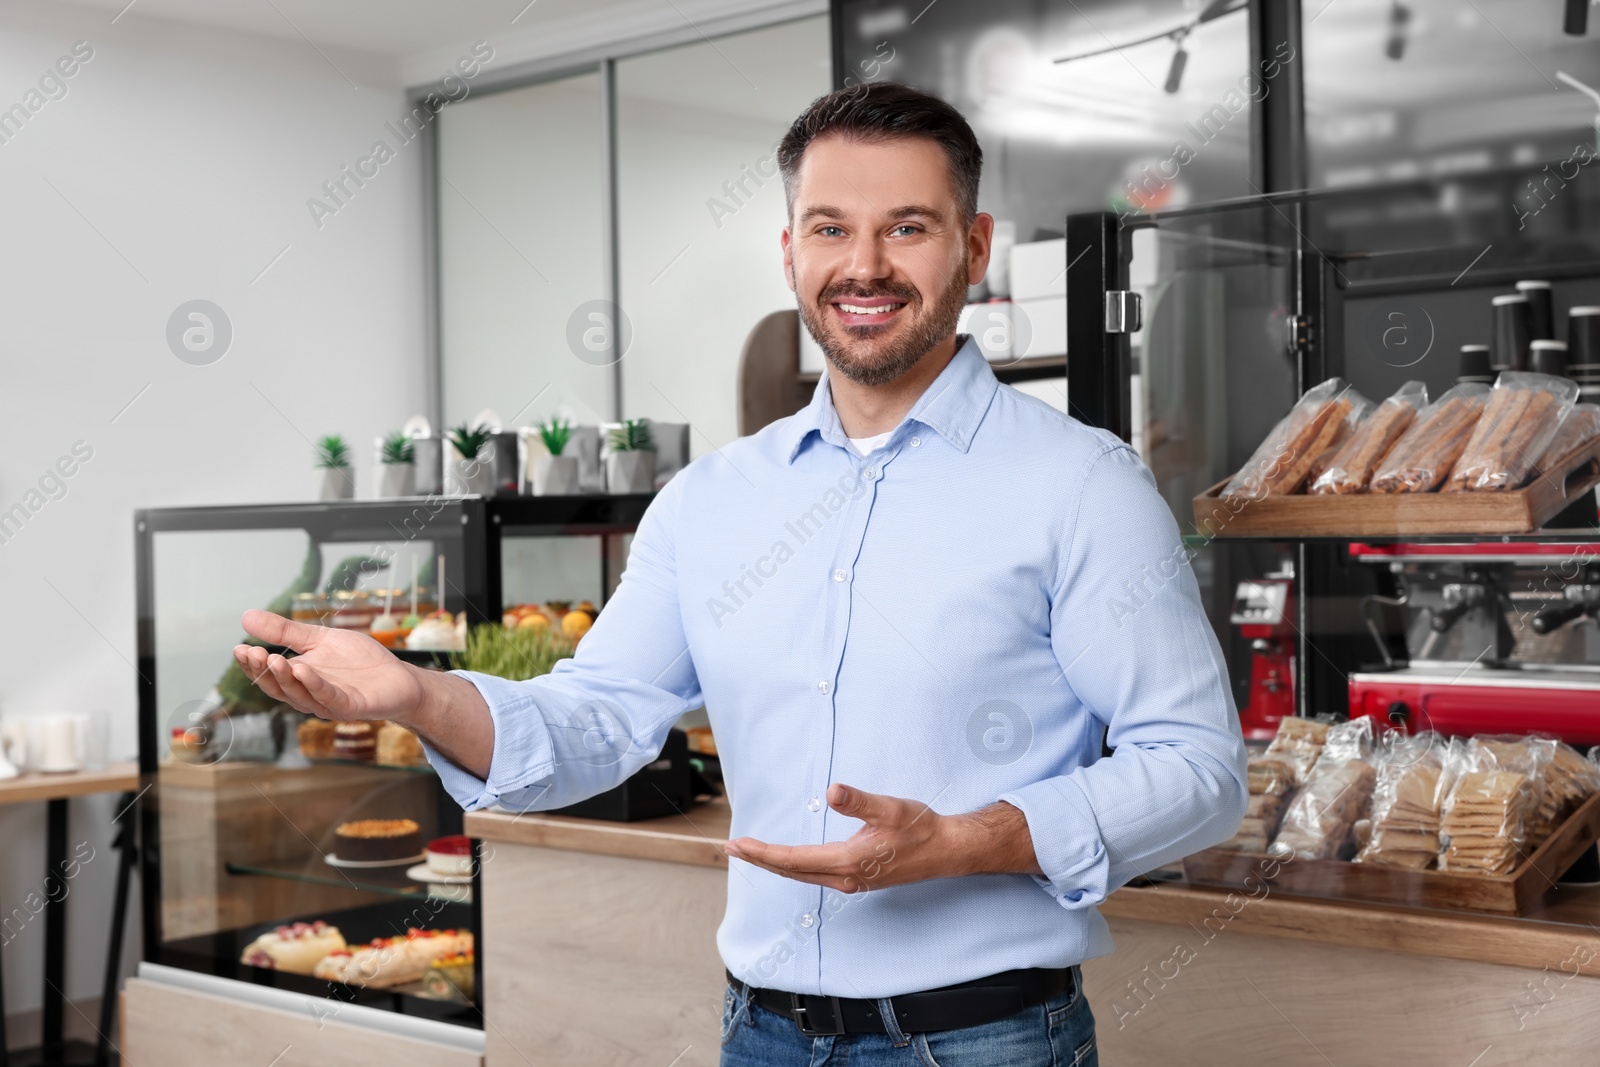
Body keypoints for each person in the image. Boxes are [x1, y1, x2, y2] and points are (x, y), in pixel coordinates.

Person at [236, 81, 1247, 1067]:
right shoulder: (708, 500)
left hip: (984, 1036)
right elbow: (596, 718)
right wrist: (420, 692)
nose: (864, 265)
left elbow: (1197, 770)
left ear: (972, 247)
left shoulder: (1079, 484)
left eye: (907, 227)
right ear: (787, 250)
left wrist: (962, 840)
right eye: (828, 228)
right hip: (758, 1032)